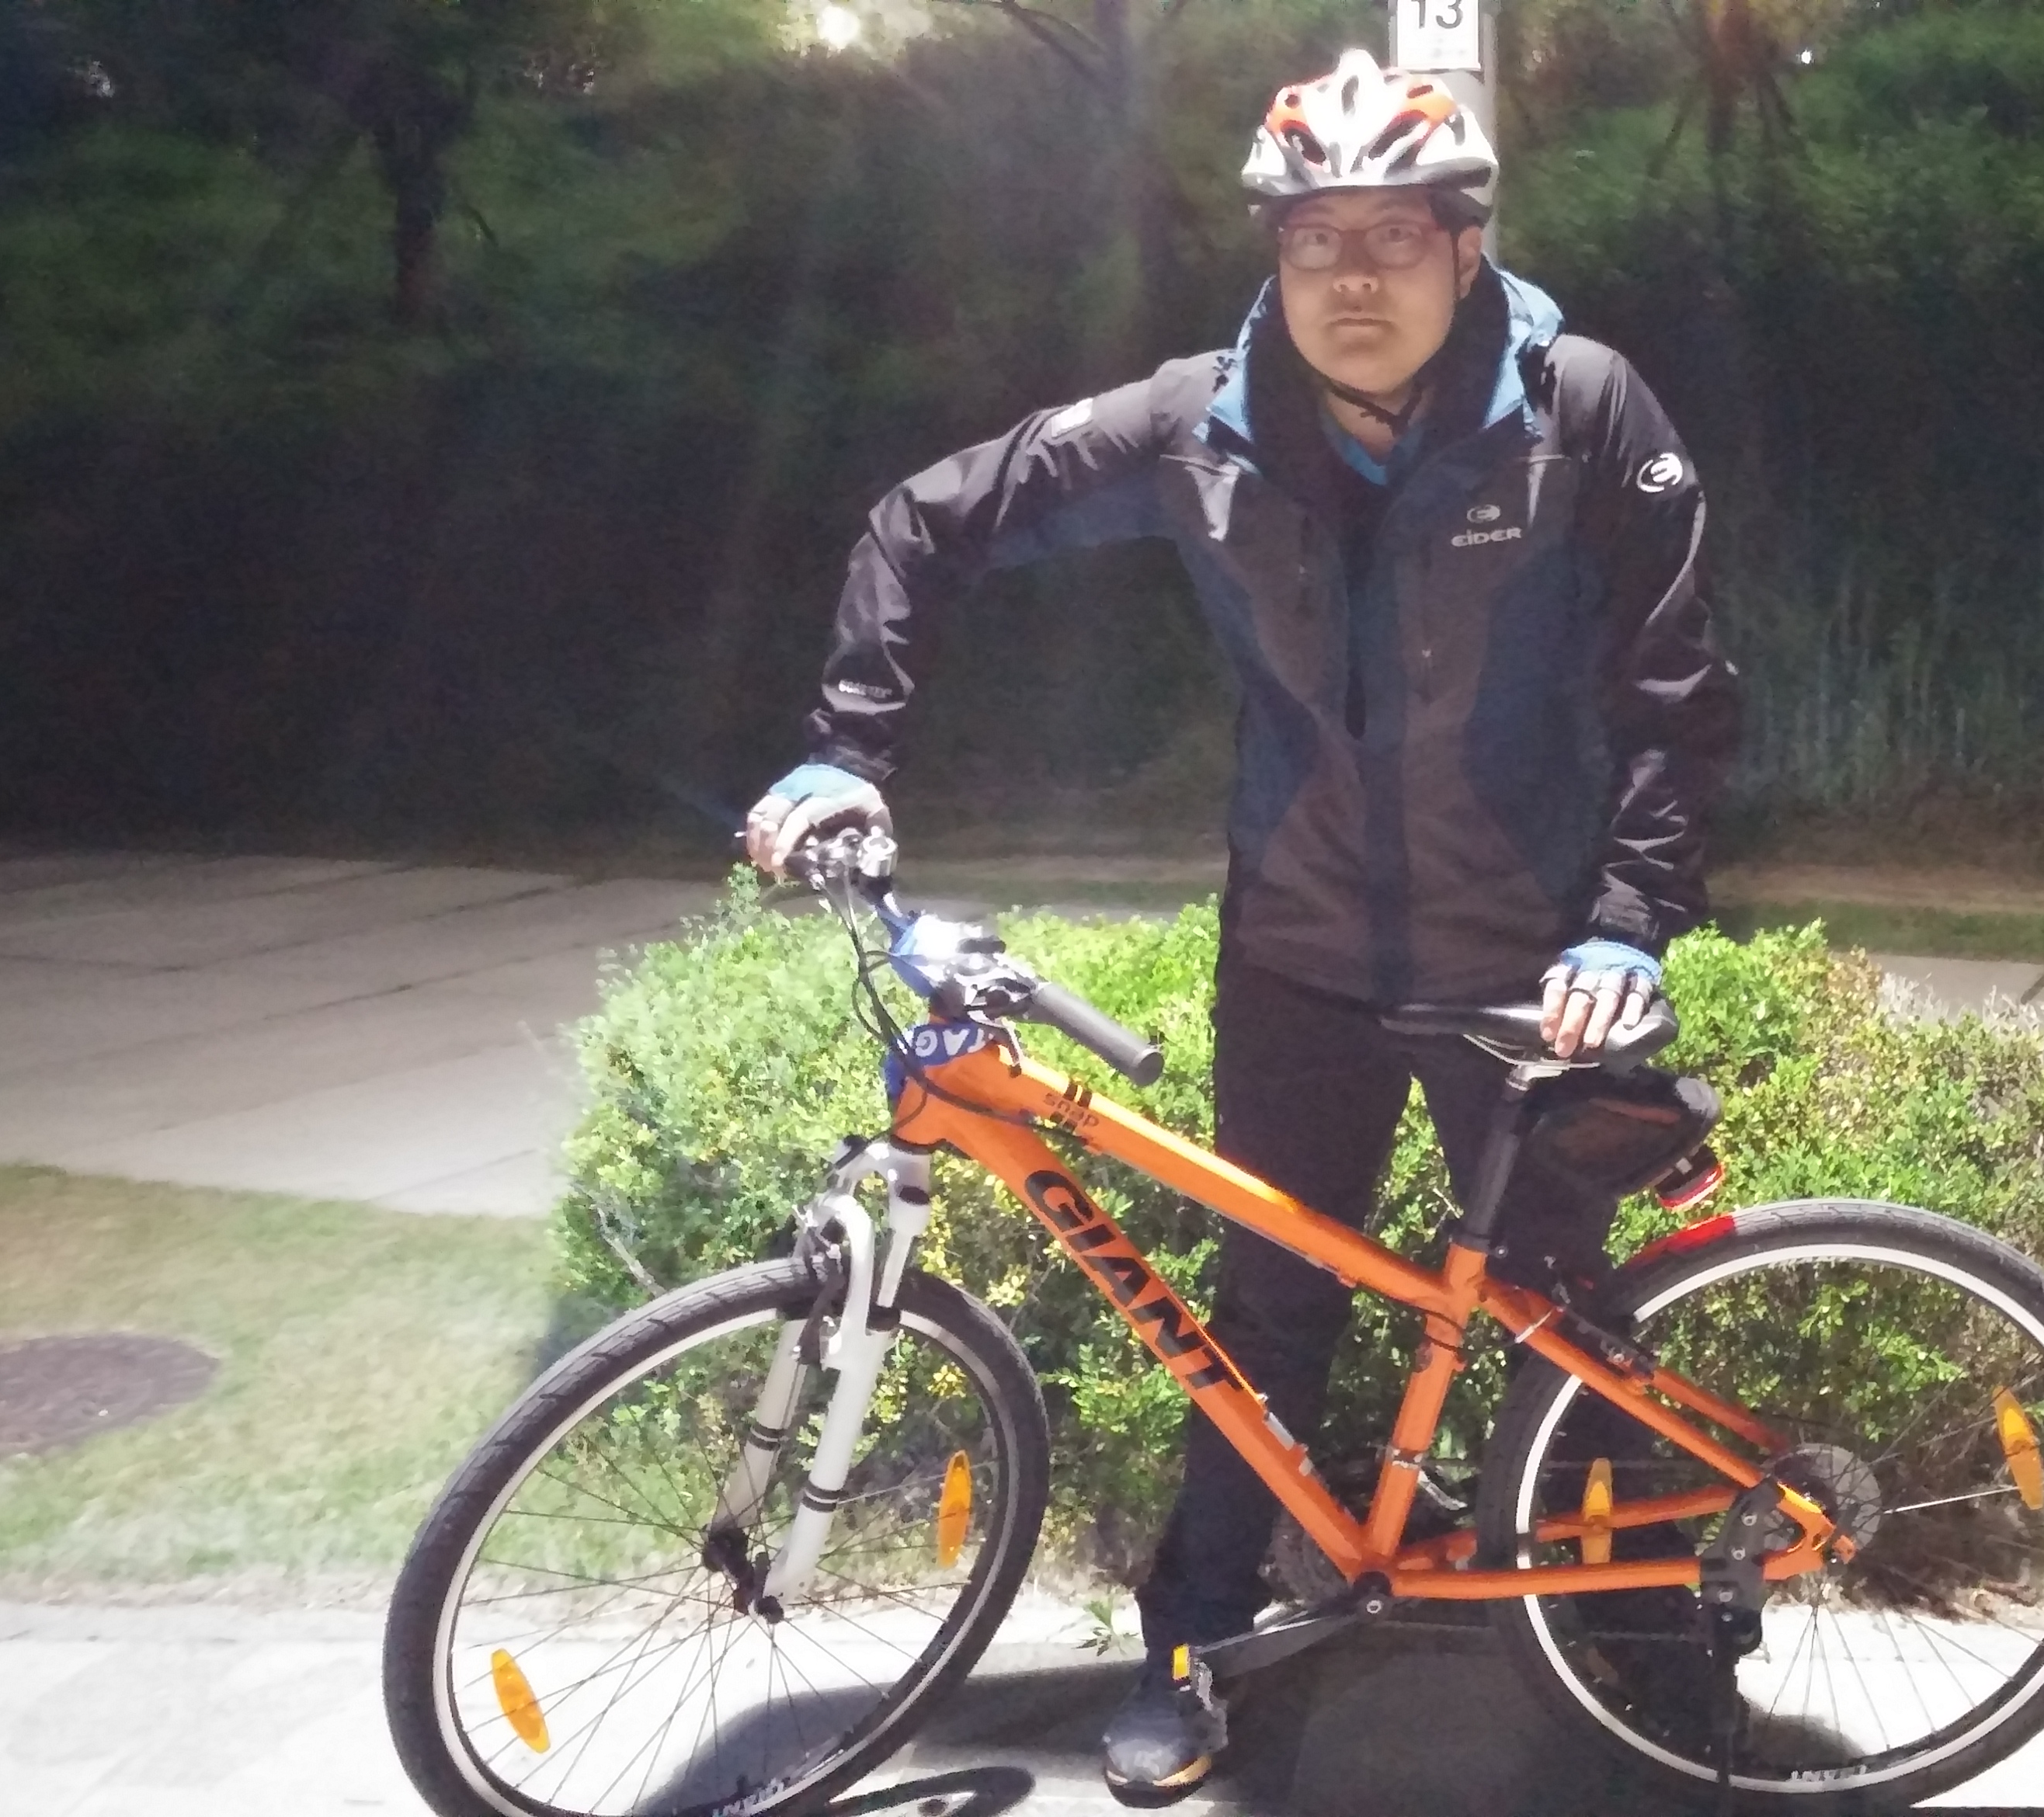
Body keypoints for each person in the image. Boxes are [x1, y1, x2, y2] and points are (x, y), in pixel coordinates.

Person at [743, 48, 1738, 1805]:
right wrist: (846, 750)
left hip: (1532, 959)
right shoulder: (1193, 424)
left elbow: (1675, 695)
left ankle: (1654, 1651)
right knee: (1262, 1319)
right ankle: (1195, 1645)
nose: (1353, 277)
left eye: (1395, 237)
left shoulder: (1581, 409)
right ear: (1274, 255)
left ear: (1465, 248)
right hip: (1297, 958)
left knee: (1570, 1321)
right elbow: (923, 523)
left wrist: (1631, 923)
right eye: (1313, 240)